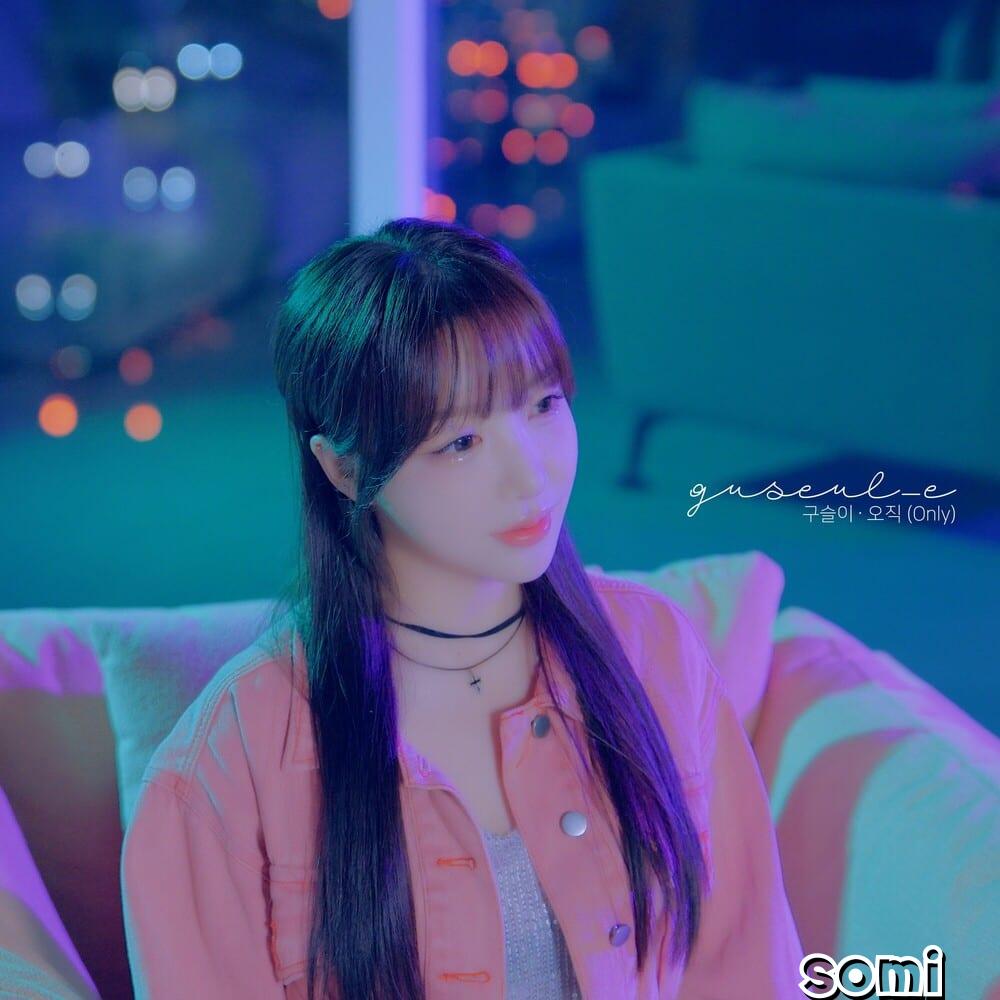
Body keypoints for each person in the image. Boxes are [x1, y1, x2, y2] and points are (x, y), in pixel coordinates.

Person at [120, 217, 804, 999]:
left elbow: (746, 964)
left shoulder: (654, 648)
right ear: (344, 469)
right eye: (461, 442)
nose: (531, 475)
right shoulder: (225, 764)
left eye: (543, 404)